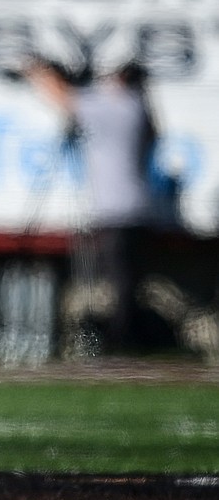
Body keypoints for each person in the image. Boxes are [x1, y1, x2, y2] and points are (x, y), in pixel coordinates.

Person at [25, 58, 158, 351]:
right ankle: (126, 335)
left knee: (119, 280)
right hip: (135, 206)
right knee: (128, 278)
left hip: (114, 208)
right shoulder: (138, 107)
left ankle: (121, 341)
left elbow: (64, 99)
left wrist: (39, 73)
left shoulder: (115, 107)